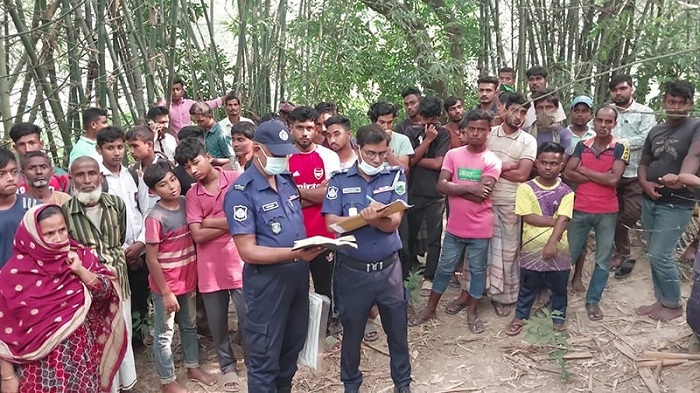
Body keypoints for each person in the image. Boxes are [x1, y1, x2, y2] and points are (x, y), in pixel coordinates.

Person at [224, 120, 325, 393]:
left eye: (285, 154)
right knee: (264, 360)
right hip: (267, 285)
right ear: (257, 150)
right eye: (277, 154)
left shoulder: (287, 183)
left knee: (290, 354)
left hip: (297, 281)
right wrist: (294, 253)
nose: (283, 159)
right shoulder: (241, 193)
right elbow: (248, 250)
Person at [322, 124, 412, 393]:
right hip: (353, 272)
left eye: (382, 154)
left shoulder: (395, 177)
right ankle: (351, 385)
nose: (376, 160)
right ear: (359, 149)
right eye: (371, 153)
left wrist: (376, 220)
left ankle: (403, 384)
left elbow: (394, 221)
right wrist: (365, 218)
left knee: (398, 333)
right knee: (352, 334)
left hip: (388, 271)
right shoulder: (339, 180)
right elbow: (332, 224)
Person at [0, 204, 128, 393]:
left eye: (62, 230)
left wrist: (80, 271)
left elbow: (107, 294)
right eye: (49, 233)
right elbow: (3, 332)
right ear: (32, 237)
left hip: (81, 362)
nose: (59, 238)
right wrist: (7, 376)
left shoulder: (78, 257)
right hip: (39, 372)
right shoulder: (12, 275)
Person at [411, 110, 501, 333]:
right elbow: (441, 186)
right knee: (443, 269)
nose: (476, 133)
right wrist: (471, 188)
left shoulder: (492, 161)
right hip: (455, 227)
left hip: (480, 228)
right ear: (465, 130)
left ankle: (472, 310)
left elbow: (483, 194)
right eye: (472, 129)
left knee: (478, 270)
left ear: (488, 132)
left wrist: (455, 188)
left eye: (481, 129)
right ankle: (430, 308)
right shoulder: (453, 155)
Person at [454, 92, 537, 317]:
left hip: (510, 202)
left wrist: (495, 167)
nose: (519, 116)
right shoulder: (489, 135)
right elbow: (475, 164)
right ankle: (468, 293)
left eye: (523, 112)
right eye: (515, 110)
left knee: (507, 252)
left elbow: (523, 175)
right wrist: (506, 165)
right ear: (503, 108)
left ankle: (503, 297)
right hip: (481, 200)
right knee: (476, 252)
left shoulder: (528, 141)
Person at [62, 156, 138, 392]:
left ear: (100, 176)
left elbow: (121, 236)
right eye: (80, 175)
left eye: (92, 173)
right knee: (98, 339)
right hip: (87, 287)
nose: (87, 180)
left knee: (122, 333)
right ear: (71, 179)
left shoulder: (116, 204)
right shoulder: (65, 211)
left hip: (118, 281)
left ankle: (127, 385)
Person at [177, 139, 246, 392]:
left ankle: (254, 358)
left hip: (239, 261)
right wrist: (227, 223)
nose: (193, 170)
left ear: (207, 156)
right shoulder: (192, 195)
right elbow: (196, 235)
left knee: (249, 317)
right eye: (187, 167)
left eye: (195, 162)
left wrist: (208, 222)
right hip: (210, 269)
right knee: (217, 324)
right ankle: (227, 366)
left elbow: (245, 220)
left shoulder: (236, 179)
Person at [143, 161, 218, 393]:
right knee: (165, 333)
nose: (172, 187)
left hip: (188, 279)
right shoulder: (155, 217)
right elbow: (151, 259)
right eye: (163, 185)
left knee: (189, 324)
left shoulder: (187, 203)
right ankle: (167, 380)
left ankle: (192, 366)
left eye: (173, 180)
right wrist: (165, 292)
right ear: (153, 191)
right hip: (166, 285)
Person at [637, 80, 700, 321]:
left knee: (661, 254)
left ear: (690, 104)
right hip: (651, 199)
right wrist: (644, 182)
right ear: (664, 101)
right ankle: (661, 300)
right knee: (653, 255)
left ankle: (673, 304)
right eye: (670, 101)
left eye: (680, 103)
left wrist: (682, 177)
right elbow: (644, 162)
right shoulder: (656, 130)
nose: (675, 106)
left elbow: (694, 154)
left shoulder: (695, 126)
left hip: (677, 201)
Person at [564, 106, 628, 321]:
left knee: (602, 260)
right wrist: (600, 175)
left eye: (608, 122)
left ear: (614, 124)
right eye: (599, 120)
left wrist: (585, 170)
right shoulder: (582, 145)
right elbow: (567, 172)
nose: (603, 125)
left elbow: (613, 180)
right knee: (568, 256)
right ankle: (557, 299)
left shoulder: (620, 147)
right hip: (580, 208)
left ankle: (593, 301)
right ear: (593, 121)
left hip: (607, 211)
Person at [504, 142, 573, 336]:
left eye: (553, 163)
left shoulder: (567, 191)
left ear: (561, 166)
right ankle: (520, 316)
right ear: (536, 163)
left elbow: (564, 218)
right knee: (528, 286)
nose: (548, 167)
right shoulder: (525, 188)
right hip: (531, 248)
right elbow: (528, 217)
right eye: (544, 162)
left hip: (559, 248)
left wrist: (552, 242)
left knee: (559, 287)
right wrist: (558, 220)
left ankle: (558, 318)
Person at [97, 126, 152, 345]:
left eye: (120, 147)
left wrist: (140, 243)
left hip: (140, 246)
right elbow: (99, 222)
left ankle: (138, 340)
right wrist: (124, 251)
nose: (117, 152)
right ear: (99, 149)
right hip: (114, 253)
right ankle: (121, 343)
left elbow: (146, 209)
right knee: (118, 300)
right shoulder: (98, 179)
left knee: (140, 295)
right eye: (110, 148)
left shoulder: (132, 174)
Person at [287, 106, 341, 321]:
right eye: (300, 128)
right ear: (291, 128)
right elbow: (281, 201)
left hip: (322, 235)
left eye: (309, 127)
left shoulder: (328, 157)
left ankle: (326, 327)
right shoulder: (283, 157)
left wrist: (296, 192)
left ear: (317, 129)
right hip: (292, 236)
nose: (305, 133)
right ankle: (299, 331)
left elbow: (330, 196)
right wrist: (315, 193)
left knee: (324, 286)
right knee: (295, 288)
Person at [607, 75, 657, 271]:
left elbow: (645, 138)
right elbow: (600, 133)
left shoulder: (645, 112)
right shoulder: (608, 111)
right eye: (615, 90)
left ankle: (620, 246)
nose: (618, 93)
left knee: (630, 213)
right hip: (610, 173)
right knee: (611, 212)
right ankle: (622, 251)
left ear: (632, 89)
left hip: (634, 172)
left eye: (622, 88)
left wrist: (617, 144)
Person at [404, 96, 451, 295]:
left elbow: (438, 164)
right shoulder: (409, 132)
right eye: (424, 119)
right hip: (413, 191)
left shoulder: (444, 134)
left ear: (438, 117)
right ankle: (406, 275)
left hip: (435, 194)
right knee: (409, 237)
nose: (427, 124)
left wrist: (415, 158)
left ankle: (429, 277)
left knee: (434, 238)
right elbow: (409, 160)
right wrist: (426, 142)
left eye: (432, 120)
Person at [0, 148, 41, 268]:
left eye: (13, 172)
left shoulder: (34, 208)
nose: (10, 178)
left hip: (33, 280)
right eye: (1, 174)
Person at [9, 122, 70, 193]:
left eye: (32, 143)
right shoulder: (9, 178)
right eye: (21, 144)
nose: (27, 149)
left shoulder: (60, 177)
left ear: (41, 144)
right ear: (15, 148)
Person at [126, 125, 167, 210]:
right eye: (129, 147)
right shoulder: (133, 171)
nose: (131, 151)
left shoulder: (165, 167)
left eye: (135, 146)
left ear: (149, 145)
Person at [368, 102, 415, 171]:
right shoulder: (365, 139)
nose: (386, 126)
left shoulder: (403, 140)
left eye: (389, 122)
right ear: (373, 122)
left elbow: (404, 170)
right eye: (382, 122)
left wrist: (386, 144)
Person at [527, 88, 573, 154]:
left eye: (549, 107)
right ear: (535, 110)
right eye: (540, 108)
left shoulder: (564, 134)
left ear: (556, 108)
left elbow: (563, 160)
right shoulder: (526, 134)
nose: (544, 111)